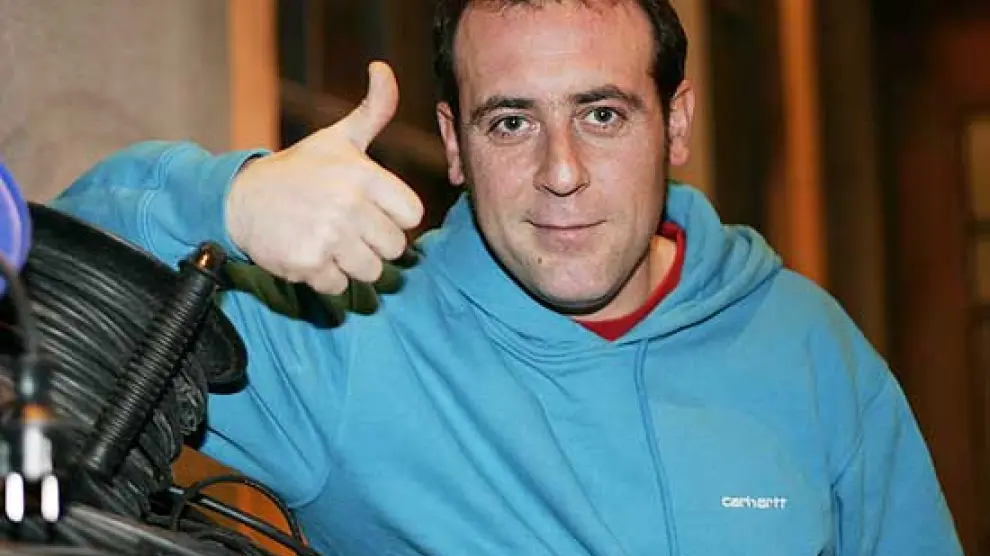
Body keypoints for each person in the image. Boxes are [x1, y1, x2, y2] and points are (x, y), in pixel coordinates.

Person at [49, 0, 962, 554]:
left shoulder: (810, 346)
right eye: (511, 123)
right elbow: (46, 274)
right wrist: (229, 200)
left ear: (676, 124)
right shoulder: (353, 340)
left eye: (602, 115)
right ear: (454, 143)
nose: (561, 172)